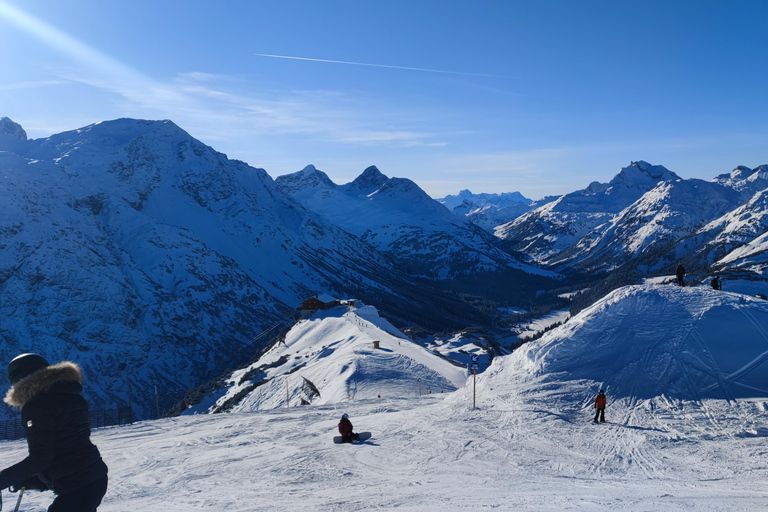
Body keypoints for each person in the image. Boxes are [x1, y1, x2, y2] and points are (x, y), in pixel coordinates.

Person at [0, 354, 108, 512]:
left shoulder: (37, 405)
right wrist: (33, 480)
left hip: (79, 486)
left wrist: (4, 479)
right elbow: (66, 449)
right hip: (92, 479)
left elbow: (41, 458)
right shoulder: (67, 395)